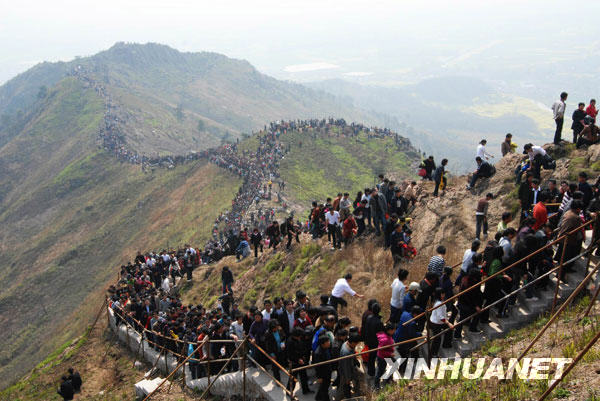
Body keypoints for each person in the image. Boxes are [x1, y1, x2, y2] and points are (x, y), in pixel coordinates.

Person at [557, 200, 585, 282]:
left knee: (564, 257)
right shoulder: (576, 217)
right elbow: (578, 229)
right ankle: (561, 275)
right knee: (566, 258)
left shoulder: (568, 212)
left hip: (562, 238)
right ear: (577, 209)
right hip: (568, 241)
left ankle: (562, 271)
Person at [429, 288, 454, 358]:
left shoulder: (438, 301)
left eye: (443, 293)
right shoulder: (439, 303)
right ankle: (433, 354)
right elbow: (440, 316)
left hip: (437, 322)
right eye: (442, 294)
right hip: (436, 323)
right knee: (437, 339)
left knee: (448, 331)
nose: (443, 295)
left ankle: (446, 344)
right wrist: (448, 323)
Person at [336, 333, 362, 400]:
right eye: (356, 343)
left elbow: (353, 354)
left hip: (351, 367)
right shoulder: (346, 353)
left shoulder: (347, 343)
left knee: (359, 376)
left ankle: (356, 391)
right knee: (343, 387)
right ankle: (338, 398)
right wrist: (347, 379)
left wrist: (356, 361)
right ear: (353, 342)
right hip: (345, 372)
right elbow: (346, 368)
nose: (357, 345)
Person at [285, 328, 311, 394]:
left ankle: (306, 390)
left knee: (304, 376)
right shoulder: (290, 342)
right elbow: (290, 354)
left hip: (301, 361)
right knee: (293, 378)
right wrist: (298, 359)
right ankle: (289, 392)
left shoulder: (298, 340)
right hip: (294, 363)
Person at [374, 322, 396, 389]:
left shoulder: (384, 334)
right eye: (393, 330)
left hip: (387, 355)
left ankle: (388, 379)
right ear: (389, 330)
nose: (394, 331)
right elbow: (381, 350)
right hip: (382, 357)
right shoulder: (385, 339)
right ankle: (376, 385)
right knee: (380, 371)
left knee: (393, 364)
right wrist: (390, 354)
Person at [313, 335, 333, 401]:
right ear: (322, 344)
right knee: (324, 390)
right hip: (323, 374)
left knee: (324, 387)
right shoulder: (318, 353)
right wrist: (319, 377)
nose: (329, 342)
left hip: (327, 372)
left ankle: (318, 398)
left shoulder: (326, 348)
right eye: (327, 341)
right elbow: (318, 367)